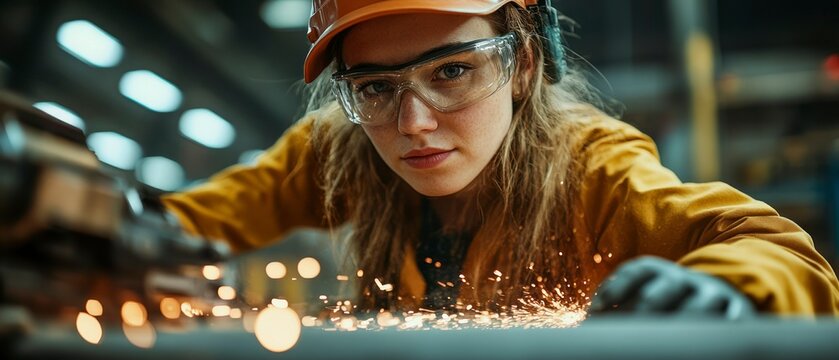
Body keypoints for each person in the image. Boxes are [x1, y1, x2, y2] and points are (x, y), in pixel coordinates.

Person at [161, 0, 839, 317]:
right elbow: (190, 223)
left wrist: (727, 290)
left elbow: (772, 248)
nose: (412, 122)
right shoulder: (336, 149)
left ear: (523, 66)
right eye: (374, 87)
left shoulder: (589, 167)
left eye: (452, 71)